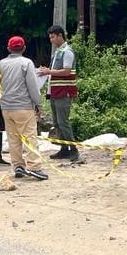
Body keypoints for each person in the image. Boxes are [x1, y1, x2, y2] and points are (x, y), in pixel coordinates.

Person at [0, 35, 48, 181]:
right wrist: (38, 104)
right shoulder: (26, 63)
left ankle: (18, 166)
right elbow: (33, 86)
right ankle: (34, 167)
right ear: (24, 48)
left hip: (6, 106)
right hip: (23, 106)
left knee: (13, 139)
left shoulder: (1, 63)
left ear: (8, 48)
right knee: (29, 137)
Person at [39, 25, 79, 162]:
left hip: (64, 91)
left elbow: (67, 71)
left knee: (63, 122)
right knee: (56, 122)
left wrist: (49, 71)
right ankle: (64, 149)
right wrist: (47, 70)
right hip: (55, 91)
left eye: (53, 37)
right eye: (50, 37)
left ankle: (73, 149)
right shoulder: (57, 52)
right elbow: (55, 70)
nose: (51, 40)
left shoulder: (67, 51)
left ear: (60, 36)